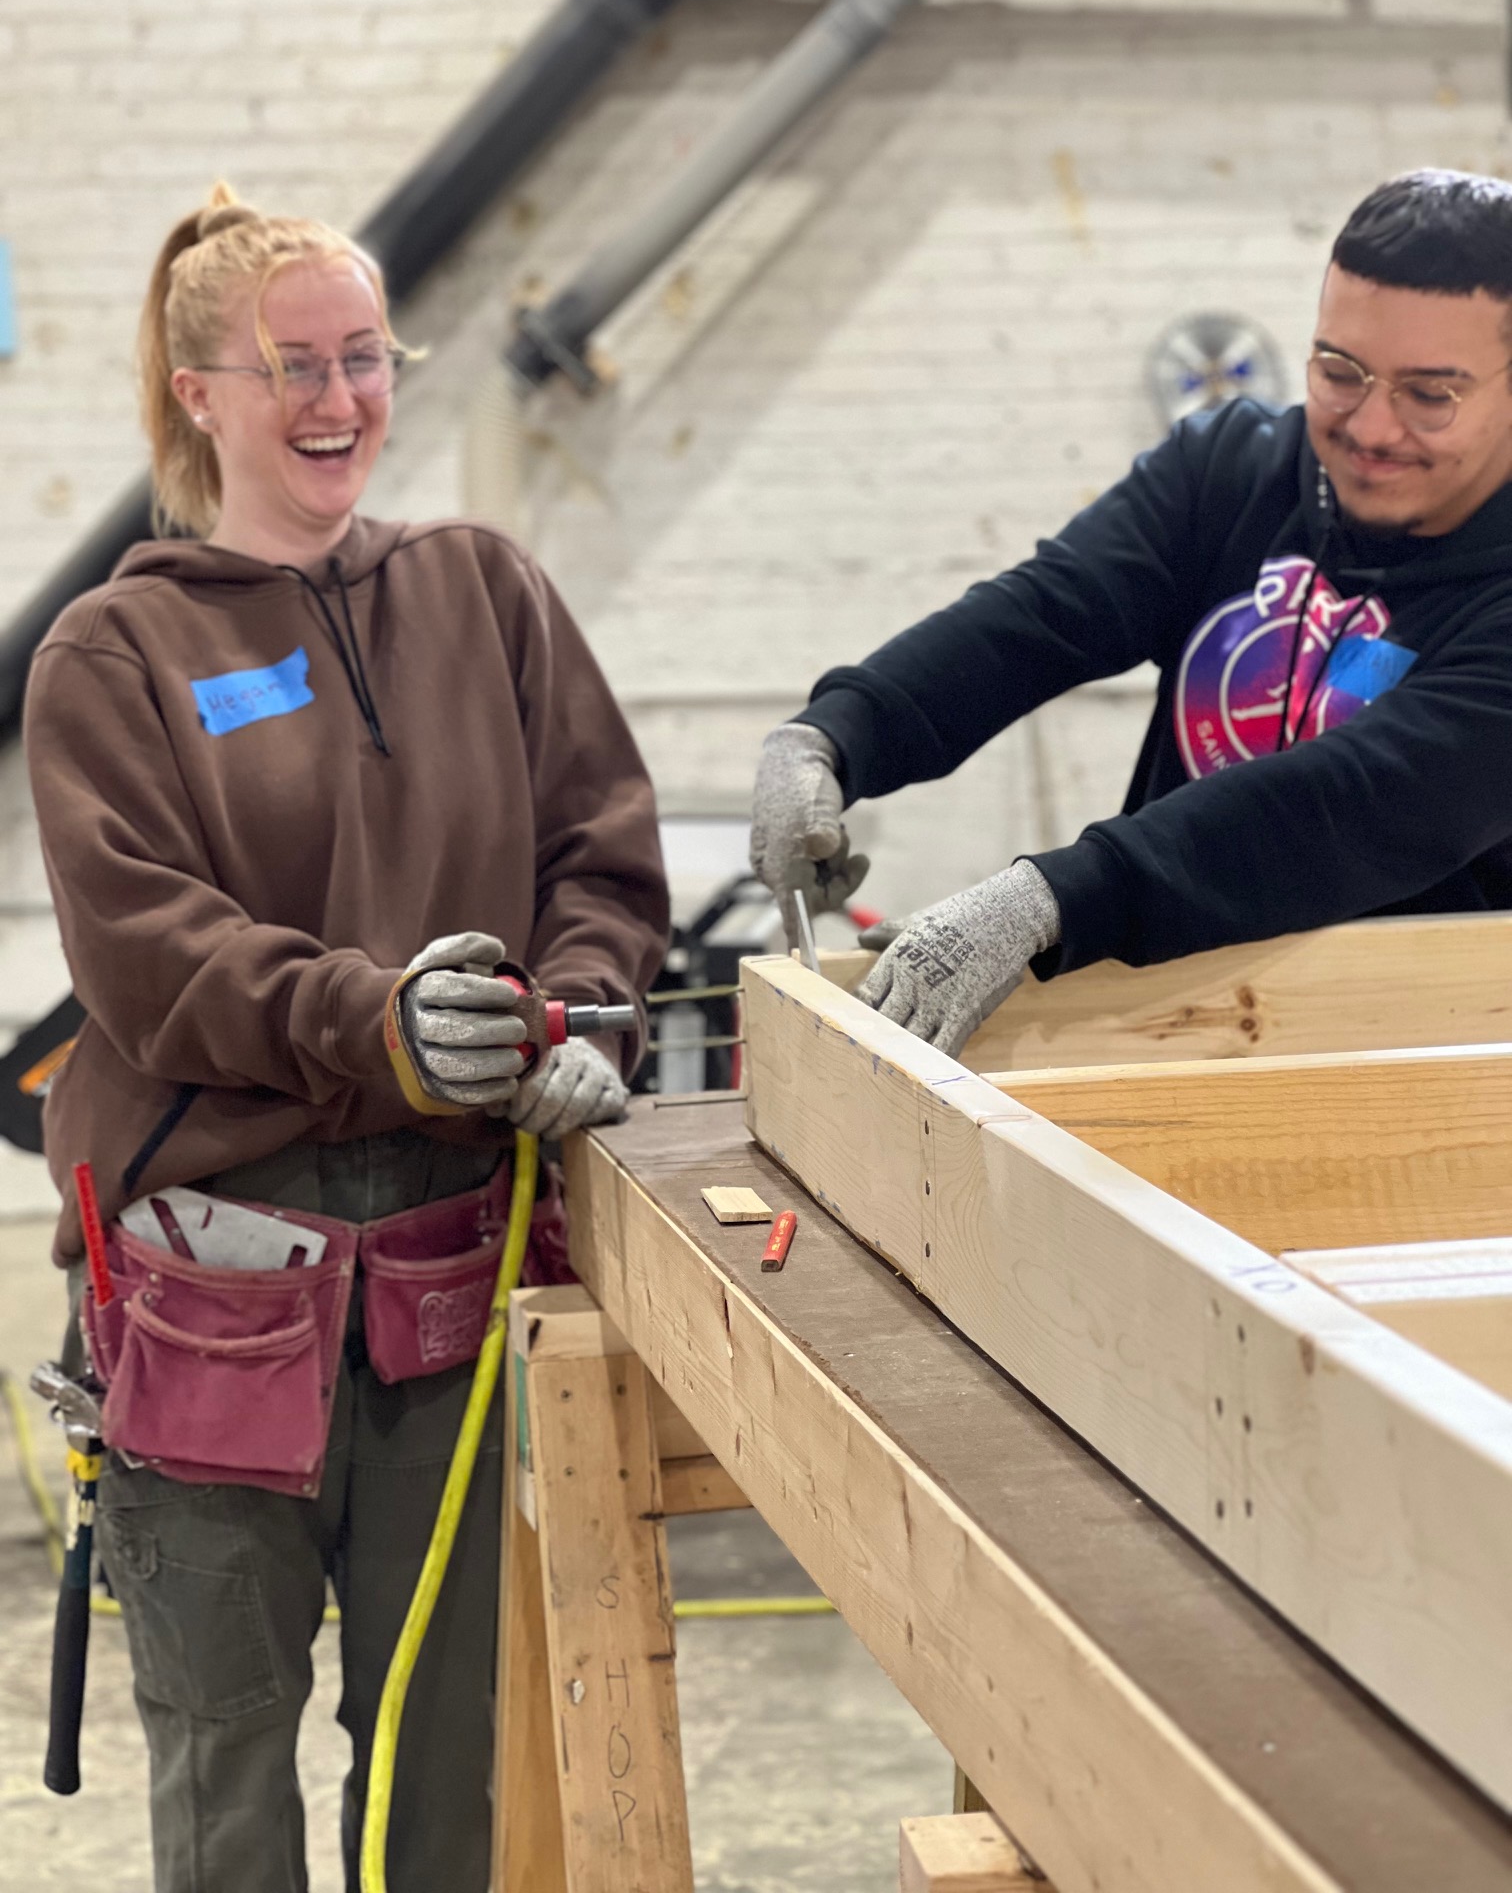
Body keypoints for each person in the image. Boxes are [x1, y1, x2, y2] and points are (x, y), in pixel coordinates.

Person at [24, 184, 667, 1892]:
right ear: (197, 392)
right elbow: (152, 957)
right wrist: (375, 1021)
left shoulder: (484, 593)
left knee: (443, 1767)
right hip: (214, 1289)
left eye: (364, 358)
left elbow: (596, 852)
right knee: (229, 1778)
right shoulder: (116, 653)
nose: (337, 401)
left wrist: (581, 1017)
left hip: (451, 1283)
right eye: (291, 364)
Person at [750, 169, 1512, 1056]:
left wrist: (1055, 896)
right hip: (1179, 1034)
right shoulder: (1231, 472)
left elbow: (1346, 803)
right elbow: (1040, 618)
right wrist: (836, 734)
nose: (1372, 428)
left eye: (1430, 395)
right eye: (1341, 372)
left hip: (1434, 1070)